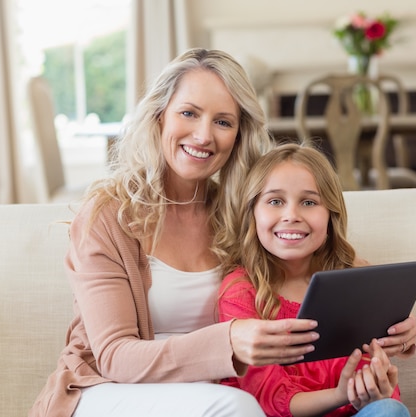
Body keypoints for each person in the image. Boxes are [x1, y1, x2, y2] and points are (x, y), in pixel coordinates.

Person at [29, 48, 322, 417]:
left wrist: (386, 318)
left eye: (223, 122)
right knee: (236, 407)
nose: (203, 136)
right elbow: (115, 356)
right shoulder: (108, 216)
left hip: (205, 395)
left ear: (238, 135)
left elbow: (320, 261)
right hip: (106, 390)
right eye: (189, 113)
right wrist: (228, 341)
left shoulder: (238, 214)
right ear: (159, 116)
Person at [217, 142, 416, 417]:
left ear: (330, 215)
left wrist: (377, 380)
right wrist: (340, 395)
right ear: (252, 211)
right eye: (275, 201)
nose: (291, 216)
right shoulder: (241, 292)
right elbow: (267, 400)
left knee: (389, 409)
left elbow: (375, 385)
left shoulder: (354, 280)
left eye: (309, 202)